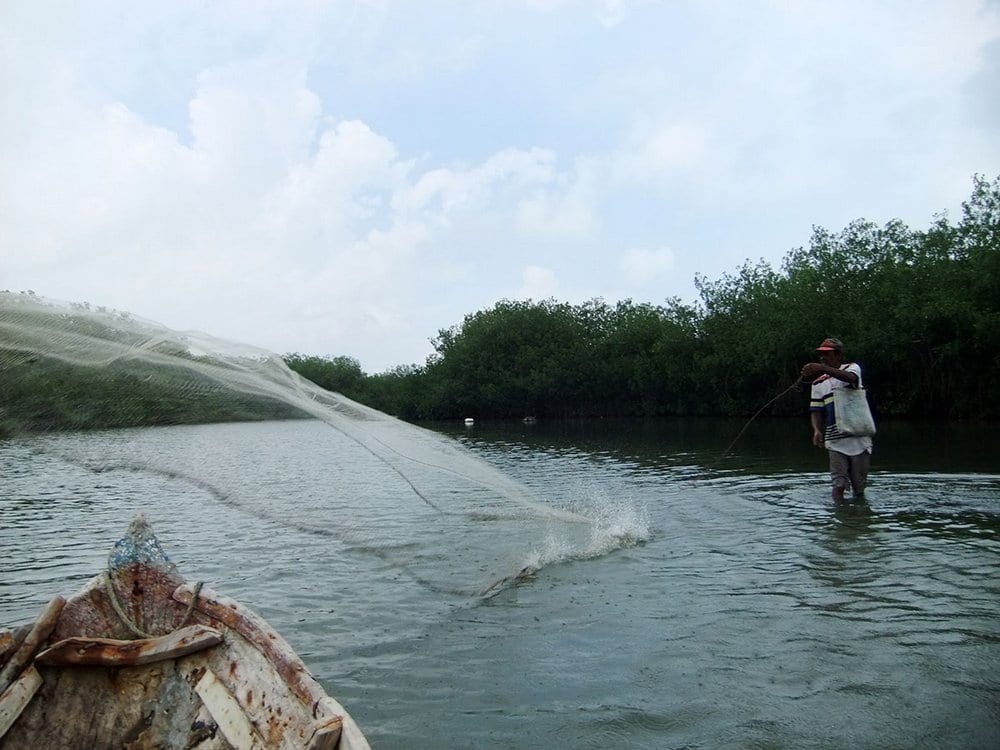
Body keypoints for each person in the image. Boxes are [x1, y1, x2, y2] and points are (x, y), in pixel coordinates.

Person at [800, 337, 873, 502]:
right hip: (835, 440)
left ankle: (858, 518)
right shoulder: (818, 383)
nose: (823, 358)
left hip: (859, 438)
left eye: (828, 354)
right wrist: (817, 430)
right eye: (821, 355)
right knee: (838, 485)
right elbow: (816, 410)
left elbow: (850, 379)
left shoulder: (852, 368)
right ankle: (841, 518)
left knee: (859, 488)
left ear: (839, 355)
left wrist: (821, 368)